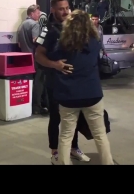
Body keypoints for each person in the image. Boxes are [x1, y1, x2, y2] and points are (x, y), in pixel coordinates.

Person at [48, 9, 114, 165]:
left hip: (68, 95)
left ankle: (64, 162)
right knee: (100, 134)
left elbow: (52, 58)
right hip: (92, 94)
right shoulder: (95, 42)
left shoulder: (63, 44)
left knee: (65, 135)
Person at [35, 0, 90, 165]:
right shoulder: (49, 30)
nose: (65, 11)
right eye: (61, 8)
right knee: (56, 118)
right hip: (55, 83)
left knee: (72, 117)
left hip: (73, 83)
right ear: (53, 10)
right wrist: (55, 65)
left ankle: (73, 148)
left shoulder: (74, 28)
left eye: (67, 8)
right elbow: (38, 56)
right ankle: (55, 152)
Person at [17, 4, 48, 115]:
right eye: (38, 13)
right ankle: (37, 106)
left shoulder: (21, 25)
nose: (39, 15)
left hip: (24, 59)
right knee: (39, 82)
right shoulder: (34, 24)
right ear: (32, 13)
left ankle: (29, 104)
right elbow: (36, 40)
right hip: (34, 58)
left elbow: (19, 44)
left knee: (29, 82)